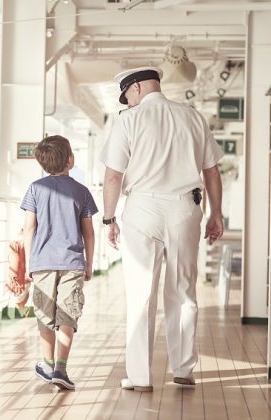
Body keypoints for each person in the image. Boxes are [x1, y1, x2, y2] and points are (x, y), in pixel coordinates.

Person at [99, 66, 224, 392]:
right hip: (185, 207)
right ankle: (183, 368)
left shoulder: (128, 120)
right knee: (183, 290)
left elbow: (113, 176)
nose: (128, 103)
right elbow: (211, 171)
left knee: (141, 294)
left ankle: (140, 377)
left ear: (136, 88)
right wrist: (217, 214)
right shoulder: (193, 117)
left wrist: (109, 219)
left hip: (142, 207)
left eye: (128, 97)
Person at [20, 135, 98, 391]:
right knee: (68, 313)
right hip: (73, 262)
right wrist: (89, 263)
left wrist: (30, 263)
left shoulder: (35, 188)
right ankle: (61, 369)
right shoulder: (82, 192)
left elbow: (29, 229)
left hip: (41, 262)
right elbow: (88, 232)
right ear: (70, 160)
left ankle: (46, 363)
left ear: (42, 163)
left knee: (45, 313)